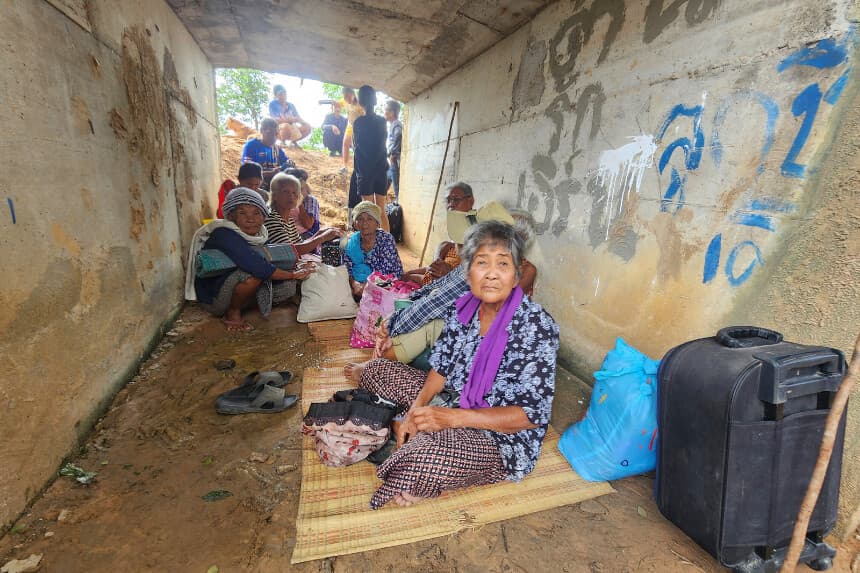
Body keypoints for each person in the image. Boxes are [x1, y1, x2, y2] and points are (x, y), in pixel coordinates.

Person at [353, 220, 559, 509]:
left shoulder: (536, 327)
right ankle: (416, 434)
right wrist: (417, 410)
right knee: (376, 370)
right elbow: (440, 370)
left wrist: (453, 419)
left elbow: (529, 417)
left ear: (516, 275)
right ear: (468, 273)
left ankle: (425, 453)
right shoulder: (464, 310)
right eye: (481, 263)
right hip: (452, 400)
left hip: (499, 436)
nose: (491, 275)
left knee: (424, 456)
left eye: (502, 264)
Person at [345, 202, 539, 374]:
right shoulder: (480, 261)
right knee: (414, 311)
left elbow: (435, 304)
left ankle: (374, 367)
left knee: (425, 324)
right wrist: (406, 306)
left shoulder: (501, 269)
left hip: (480, 340)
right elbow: (437, 288)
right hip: (469, 326)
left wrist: (391, 325)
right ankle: (379, 363)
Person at [185, 187, 314, 332]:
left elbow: (267, 260)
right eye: (242, 213)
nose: (250, 219)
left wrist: (293, 272)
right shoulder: (224, 233)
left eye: (256, 213)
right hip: (215, 297)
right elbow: (257, 266)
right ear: (232, 216)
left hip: (238, 286)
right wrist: (293, 274)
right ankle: (232, 313)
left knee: (287, 286)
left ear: (263, 216)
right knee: (252, 275)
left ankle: (246, 303)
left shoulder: (260, 234)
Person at [401, 182, 475, 285]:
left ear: (470, 201)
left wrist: (451, 274)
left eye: (456, 199)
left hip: (456, 282)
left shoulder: (476, 226)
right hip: (441, 275)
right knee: (408, 275)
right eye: (448, 200)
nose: (451, 204)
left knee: (411, 277)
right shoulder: (456, 226)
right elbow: (441, 264)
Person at [265, 173, 340, 255]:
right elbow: (289, 251)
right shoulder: (272, 219)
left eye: (294, 193)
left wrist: (319, 233)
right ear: (275, 196)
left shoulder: (288, 219)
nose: (291, 196)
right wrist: (322, 237)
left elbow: (300, 244)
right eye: (285, 192)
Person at [350, 85, 390, 232]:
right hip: (380, 170)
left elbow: (356, 147)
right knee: (381, 210)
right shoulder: (382, 121)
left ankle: (370, 250)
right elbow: (382, 145)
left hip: (365, 171)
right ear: (375, 100)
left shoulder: (358, 123)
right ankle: (387, 247)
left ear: (360, 102)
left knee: (367, 212)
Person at [343, 201, 402, 297]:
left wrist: (366, 286)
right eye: (360, 219)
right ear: (355, 223)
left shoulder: (386, 239)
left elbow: (386, 272)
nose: (364, 223)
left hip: (385, 282)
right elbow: (346, 268)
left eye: (369, 219)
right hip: (358, 285)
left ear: (377, 223)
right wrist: (354, 284)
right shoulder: (352, 242)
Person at [241, 118, 292, 188]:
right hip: (257, 185)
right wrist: (270, 173)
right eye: (270, 133)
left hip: (276, 184)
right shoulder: (252, 146)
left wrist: (283, 168)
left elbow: (289, 163)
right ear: (262, 130)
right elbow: (247, 172)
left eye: (276, 134)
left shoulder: (277, 149)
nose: (273, 137)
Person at [283, 168, 321, 239]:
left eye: (301, 189)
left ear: (306, 187)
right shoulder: (283, 200)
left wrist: (299, 203)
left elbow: (308, 225)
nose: (298, 193)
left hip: (307, 236)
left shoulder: (310, 200)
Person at [340, 87, 364, 173]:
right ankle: (345, 166)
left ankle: (359, 167)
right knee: (345, 143)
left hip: (360, 127)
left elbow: (365, 117)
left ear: (353, 94)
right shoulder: (343, 101)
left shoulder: (360, 104)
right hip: (350, 125)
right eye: (345, 97)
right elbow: (338, 104)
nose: (347, 99)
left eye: (348, 97)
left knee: (356, 148)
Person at [384, 100, 403, 201]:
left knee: (397, 190)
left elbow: (399, 135)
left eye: (386, 110)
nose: (384, 113)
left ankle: (399, 209)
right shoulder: (393, 125)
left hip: (394, 161)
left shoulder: (396, 124)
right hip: (391, 163)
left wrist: (393, 154)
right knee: (383, 188)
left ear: (392, 112)